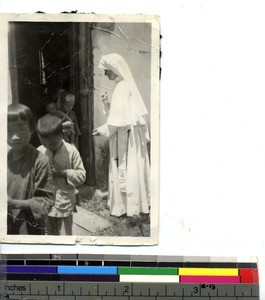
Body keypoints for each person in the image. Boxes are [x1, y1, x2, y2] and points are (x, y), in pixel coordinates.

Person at [92, 53, 150, 217]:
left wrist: (101, 131)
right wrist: (107, 104)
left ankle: (126, 207)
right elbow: (120, 114)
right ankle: (134, 205)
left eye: (107, 70)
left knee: (126, 167)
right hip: (129, 133)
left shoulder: (122, 87)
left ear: (115, 69)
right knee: (132, 168)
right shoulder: (126, 85)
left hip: (126, 136)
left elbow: (116, 121)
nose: (105, 74)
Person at [7, 103, 54, 235]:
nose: (14, 136)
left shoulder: (40, 161)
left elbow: (46, 202)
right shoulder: (4, 158)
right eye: (9, 131)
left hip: (28, 228)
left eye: (21, 129)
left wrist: (14, 203)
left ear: (31, 129)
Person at [37, 114, 86, 235]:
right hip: (45, 203)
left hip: (64, 202)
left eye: (53, 143)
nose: (48, 147)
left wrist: (64, 173)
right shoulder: (39, 151)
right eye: (44, 143)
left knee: (65, 236)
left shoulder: (71, 151)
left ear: (62, 135)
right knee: (48, 235)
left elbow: (82, 176)